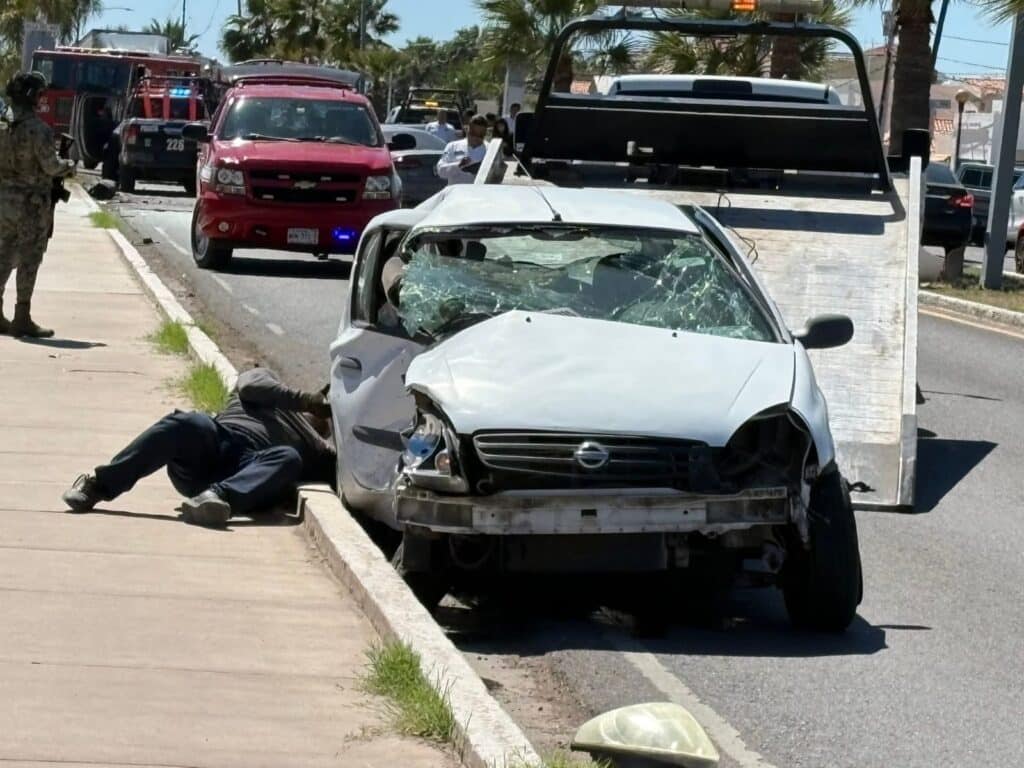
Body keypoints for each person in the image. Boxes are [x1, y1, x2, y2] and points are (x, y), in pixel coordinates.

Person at [62, 368, 336, 527]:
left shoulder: (317, 446)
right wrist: (305, 400)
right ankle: (99, 485)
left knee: (288, 458)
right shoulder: (276, 391)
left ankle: (215, 500)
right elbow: (251, 384)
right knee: (188, 422)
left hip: (247, 470)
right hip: (217, 442)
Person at [0, 72, 76, 338]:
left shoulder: (2, 126)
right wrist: (69, 166)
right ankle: (22, 316)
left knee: (3, 255)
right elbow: (51, 166)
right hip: (31, 205)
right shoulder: (39, 130)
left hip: (4, 202)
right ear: (32, 97)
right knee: (29, 258)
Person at [436, 114, 489, 185]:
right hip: (457, 193)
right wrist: (459, 165)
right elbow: (441, 171)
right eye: (473, 133)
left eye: (480, 135)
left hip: (479, 193)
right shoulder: (453, 146)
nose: (476, 138)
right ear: (467, 129)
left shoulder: (490, 150)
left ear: (485, 134)